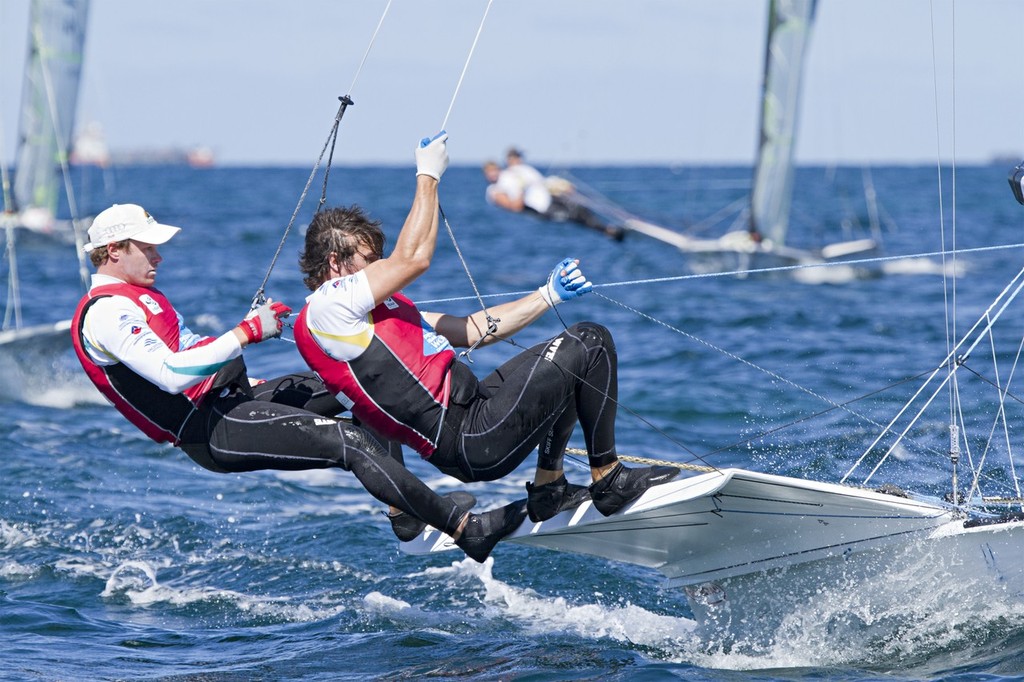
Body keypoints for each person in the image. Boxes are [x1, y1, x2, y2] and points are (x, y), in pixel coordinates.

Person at [70, 202, 527, 563]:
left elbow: (190, 352)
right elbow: (171, 375)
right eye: (147, 247)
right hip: (210, 431)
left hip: (235, 401)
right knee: (347, 440)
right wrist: (248, 331)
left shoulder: (139, 297)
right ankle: (465, 528)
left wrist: (250, 363)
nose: (158, 254)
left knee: (356, 386)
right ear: (114, 251)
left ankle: (405, 513)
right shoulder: (108, 313)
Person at [293, 132, 679, 528]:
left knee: (570, 361)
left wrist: (547, 295)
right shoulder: (330, 305)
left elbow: (475, 328)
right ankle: (609, 479)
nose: (381, 267)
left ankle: (550, 488)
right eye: (371, 260)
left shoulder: (375, 314)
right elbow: (414, 258)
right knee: (590, 342)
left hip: (477, 409)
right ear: (337, 263)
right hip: (469, 439)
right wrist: (428, 175)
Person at [482, 147, 626, 241]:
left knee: (580, 208)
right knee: (575, 216)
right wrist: (520, 190)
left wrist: (559, 185)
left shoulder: (520, 171)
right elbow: (515, 207)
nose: (518, 160)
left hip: (550, 197)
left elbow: (541, 182)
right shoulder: (495, 190)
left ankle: (611, 225)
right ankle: (608, 231)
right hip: (541, 208)